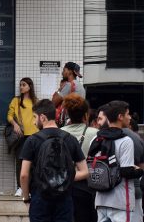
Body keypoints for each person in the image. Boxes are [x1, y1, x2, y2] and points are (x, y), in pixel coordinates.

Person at [19, 99, 88, 222]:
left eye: (35, 117)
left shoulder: (32, 140)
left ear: (43, 118)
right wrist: (63, 177)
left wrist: (26, 198)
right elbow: (84, 171)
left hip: (39, 198)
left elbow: (24, 175)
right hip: (64, 199)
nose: (34, 122)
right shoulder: (70, 139)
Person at [92, 101, 143, 222]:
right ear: (120, 117)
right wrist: (139, 171)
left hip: (100, 199)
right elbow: (126, 171)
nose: (130, 117)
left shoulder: (96, 138)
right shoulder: (126, 140)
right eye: (127, 114)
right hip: (120, 202)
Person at [60, 94, 98, 222]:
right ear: (86, 115)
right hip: (87, 186)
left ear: (68, 114)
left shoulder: (60, 133)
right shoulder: (95, 133)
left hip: (63, 184)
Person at [7, 77, 38, 197]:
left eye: (24, 85)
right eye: (20, 85)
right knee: (20, 161)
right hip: (20, 135)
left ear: (30, 86)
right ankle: (20, 187)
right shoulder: (16, 100)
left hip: (34, 134)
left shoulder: (36, 101)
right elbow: (9, 115)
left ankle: (31, 188)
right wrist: (15, 125)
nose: (21, 87)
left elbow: (39, 117)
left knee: (33, 162)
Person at [52, 62, 85, 126]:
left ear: (70, 72)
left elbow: (54, 102)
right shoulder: (81, 87)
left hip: (69, 122)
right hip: (78, 121)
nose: (62, 73)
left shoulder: (69, 85)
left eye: (64, 70)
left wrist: (60, 89)